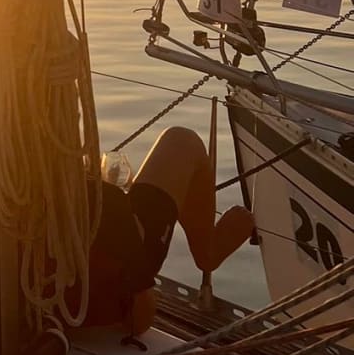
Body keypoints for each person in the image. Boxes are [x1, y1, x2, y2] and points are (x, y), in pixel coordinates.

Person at [0, 126, 254, 348]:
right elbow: (141, 311)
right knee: (181, 141)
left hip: (85, 290)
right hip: (121, 283)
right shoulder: (21, 206)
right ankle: (209, 251)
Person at [82, 125, 254, 337]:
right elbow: (140, 320)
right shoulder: (105, 204)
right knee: (182, 139)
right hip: (96, 300)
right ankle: (207, 251)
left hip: (47, 300)